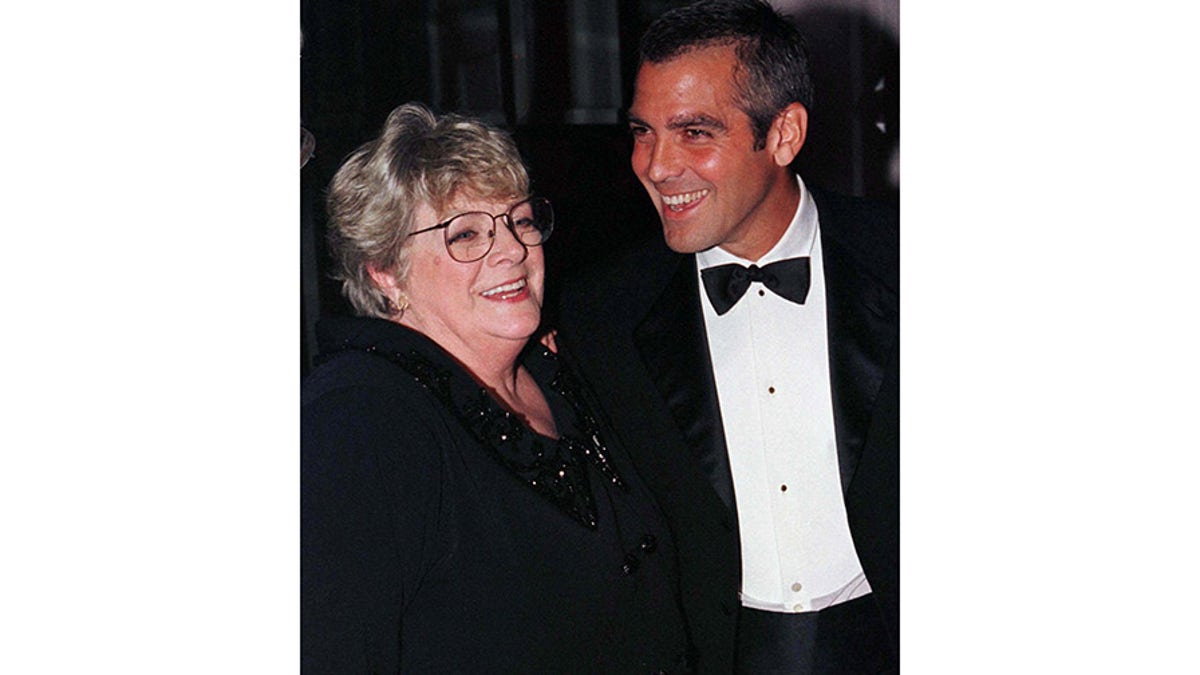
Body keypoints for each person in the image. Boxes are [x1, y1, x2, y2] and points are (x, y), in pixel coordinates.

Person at [554, 1, 899, 672]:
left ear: (783, 134)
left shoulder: (908, 262)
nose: (655, 165)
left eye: (694, 133)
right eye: (643, 132)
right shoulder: (603, 313)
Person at [301, 102, 690, 672]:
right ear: (384, 271)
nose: (512, 251)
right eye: (465, 234)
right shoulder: (359, 423)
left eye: (521, 220)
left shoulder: (560, 376)